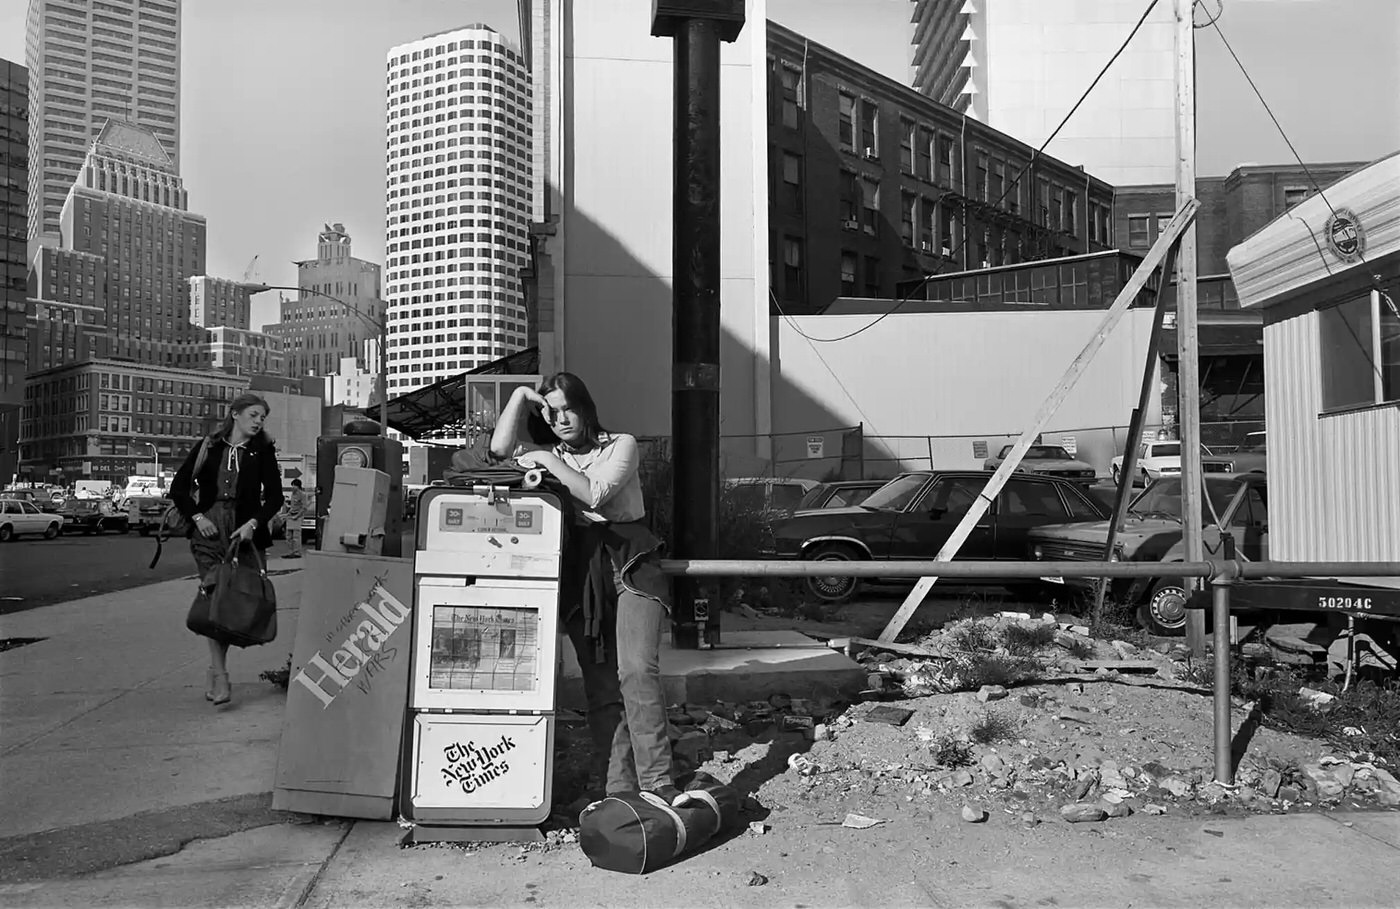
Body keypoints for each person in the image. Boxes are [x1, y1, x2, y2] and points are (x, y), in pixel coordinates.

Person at [490, 374, 680, 803]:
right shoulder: (550, 453)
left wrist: (545, 459)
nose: (560, 419)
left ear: (585, 407)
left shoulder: (620, 445)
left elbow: (596, 494)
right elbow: (499, 450)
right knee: (599, 682)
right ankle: (617, 786)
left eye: (567, 408)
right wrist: (521, 396)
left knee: (635, 670)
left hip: (631, 564)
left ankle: (658, 783)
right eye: (551, 412)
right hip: (582, 571)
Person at [170, 393, 285, 706]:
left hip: (244, 534)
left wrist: (253, 524)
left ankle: (215, 670)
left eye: (262, 417)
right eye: (253, 414)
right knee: (215, 599)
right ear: (235, 414)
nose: (258, 421)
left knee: (233, 602)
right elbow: (178, 488)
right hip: (208, 531)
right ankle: (221, 675)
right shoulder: (210, 445)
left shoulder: (262, 451)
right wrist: (196, 517)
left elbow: (275, 498)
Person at [284, 478, 308, 559]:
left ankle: (297, 552)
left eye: (294, 485)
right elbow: (293, 506)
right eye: (292, 485)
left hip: (298, 517)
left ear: (298, 486)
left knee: (296, 537)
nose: (293, 487)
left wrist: (297, 516)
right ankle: (290, 552)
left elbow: (304, 508)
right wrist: (288, 514)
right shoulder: (293, 494)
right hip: (291, 516)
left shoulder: (302, 495)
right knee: (288, 536)